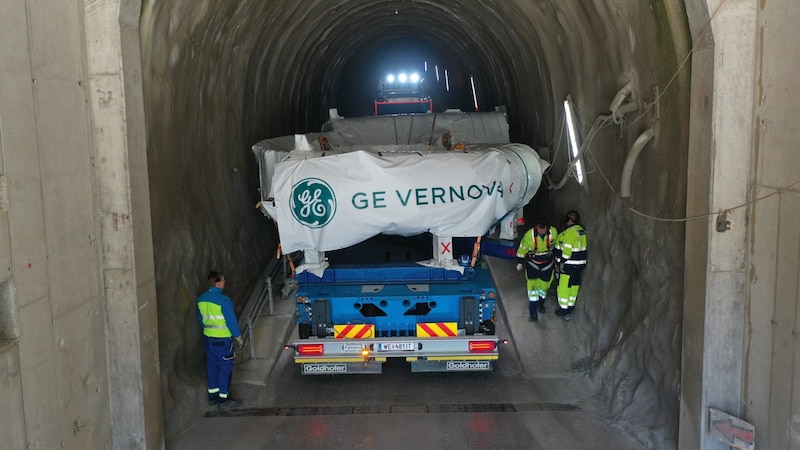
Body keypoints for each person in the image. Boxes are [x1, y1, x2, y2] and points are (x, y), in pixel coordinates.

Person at [197, 271, 244, 410]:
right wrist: (238, 337)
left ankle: (213, 396)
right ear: (218, 283)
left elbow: (201, 320)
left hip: (208, 339)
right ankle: (224, 400)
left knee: (212, 367)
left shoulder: (201, 299)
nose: (225, 282)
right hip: (223, 341)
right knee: (225, 369)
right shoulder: (224, 301)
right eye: (223, 280)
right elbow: (231, 322)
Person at [516, 218, 559, 322]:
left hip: (547, 265)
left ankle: (541, 304)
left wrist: (558, 263)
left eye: (543, 229)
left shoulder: (553, 232)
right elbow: (522, 248)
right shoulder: (529, 235)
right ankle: (533, 314)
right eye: (539, 229)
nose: (541, 231)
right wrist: (520, 262)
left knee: (544, 288)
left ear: (547, 228)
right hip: (533, 264)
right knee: (533, 289)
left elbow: (557, 247)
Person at [553, 211, 588, 321]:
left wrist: (561, 263)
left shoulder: (569, 232)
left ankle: (563, 311)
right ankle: (570, 307)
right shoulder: (580, 231)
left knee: (563, 288)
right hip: (578, 266)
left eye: (567, 218)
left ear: (570, 220)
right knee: (574, 288)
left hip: (568, 266)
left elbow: (567, 250)